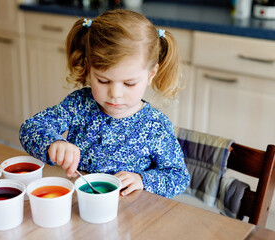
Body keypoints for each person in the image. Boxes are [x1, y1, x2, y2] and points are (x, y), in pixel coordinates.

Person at [19, 9, 190, 198]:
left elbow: (178, 177)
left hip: (132, 217)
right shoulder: (79, 104)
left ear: (151, 74)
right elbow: (31, 127)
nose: (115, 94)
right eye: (103, 81)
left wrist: (143, 180)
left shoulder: (156, 125)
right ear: (88, 68)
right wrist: (54, 143)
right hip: (80, 206)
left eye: (129, 83)